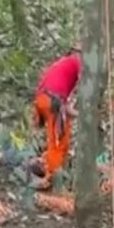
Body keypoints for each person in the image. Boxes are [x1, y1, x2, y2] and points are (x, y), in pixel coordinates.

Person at [32, 47, 81, 190]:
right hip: (52, 101)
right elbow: (86, 81)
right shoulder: (76, 62)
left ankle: (44, 165)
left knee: (60, 140)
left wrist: (80, 114)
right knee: (58, 143)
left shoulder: (62, 65)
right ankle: (51, 178)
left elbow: (67, 108)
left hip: (44, 100)